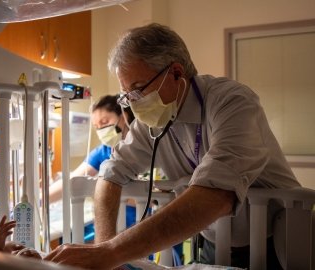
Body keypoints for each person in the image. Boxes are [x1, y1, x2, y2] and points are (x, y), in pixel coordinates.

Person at [44, 23, 300, 269]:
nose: (134, 104)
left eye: (138, 89)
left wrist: (111, 252)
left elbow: (218, 193)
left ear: (176, 73)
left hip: (277, 240)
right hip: (215, 242)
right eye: (127, 95)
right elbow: (110, 173)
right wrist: (103, 247)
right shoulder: (152, 123)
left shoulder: (232, 103)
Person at [49, 94, 135, 203]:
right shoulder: (103, 152)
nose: (101, 130)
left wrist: (103, 190)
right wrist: (38, 200)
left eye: (104, 122)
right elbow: (72, 181)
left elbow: (153, 199)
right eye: (96, 126)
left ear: (124, 117)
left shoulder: (144, 147)